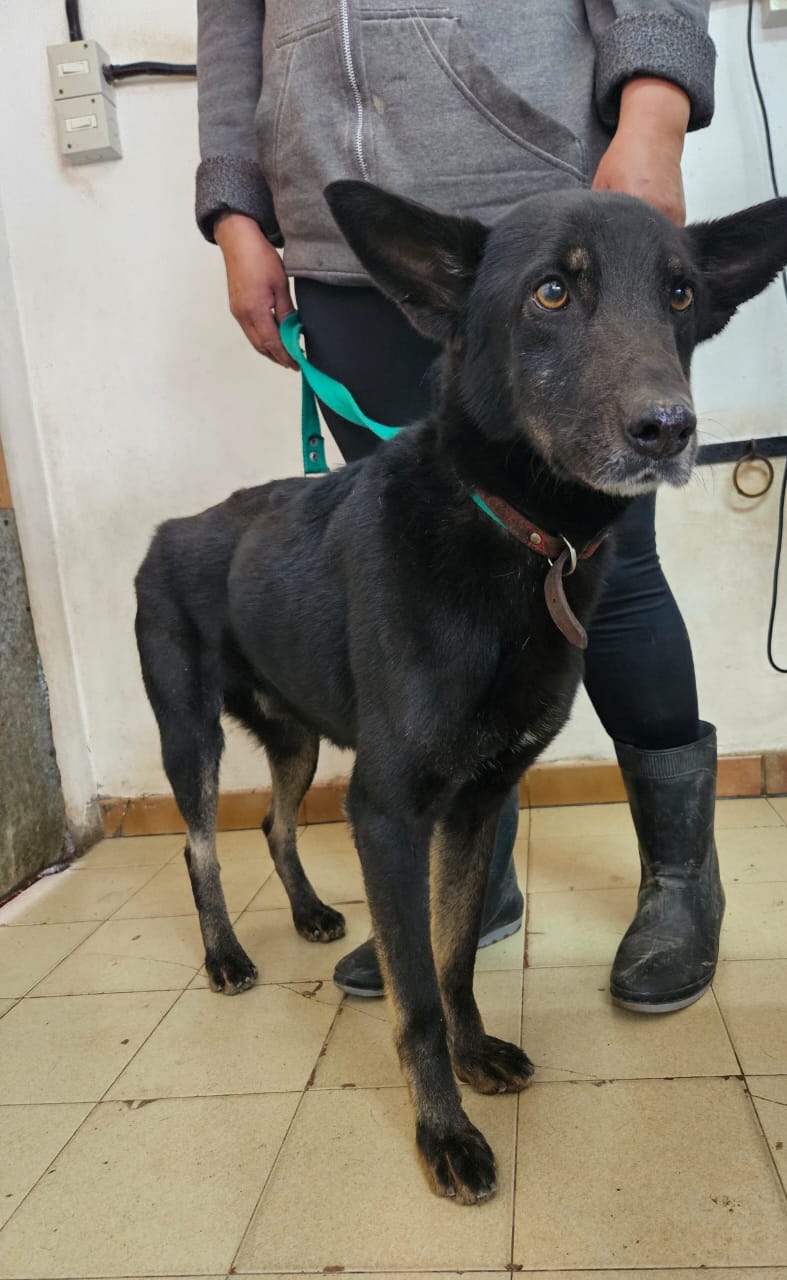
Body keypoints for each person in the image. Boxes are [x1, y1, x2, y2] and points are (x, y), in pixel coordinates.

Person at [195, 0, 724, 1012]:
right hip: (344, 244)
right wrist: (235, 212)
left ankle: (682, 879)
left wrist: (654, 114)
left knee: (609, 574)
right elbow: (230, 20)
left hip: (541, 205)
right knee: (421, 590)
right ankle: (474, 887)